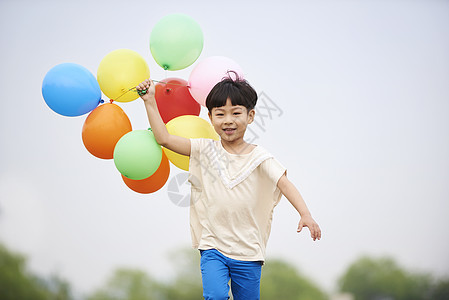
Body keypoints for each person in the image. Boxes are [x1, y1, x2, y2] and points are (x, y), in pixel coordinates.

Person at [137, 74, 321, 300]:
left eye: (236, 113)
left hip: (249, 251)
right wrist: (149, 101)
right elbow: (164, 138)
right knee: (214, 296)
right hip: (213, 246)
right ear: (210, 117)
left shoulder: (260, 157)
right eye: (220, 114)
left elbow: (284, 183)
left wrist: (305, 214)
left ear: (250, 116)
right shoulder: (204, 149)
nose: (228, 120)